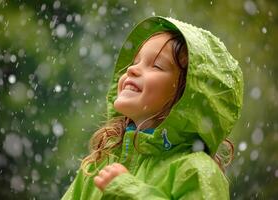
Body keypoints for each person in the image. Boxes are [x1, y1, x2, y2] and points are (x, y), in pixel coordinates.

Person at [62, 16, 243, 200]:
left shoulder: (195, 171)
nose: (132, 70)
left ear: (187, 96)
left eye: (156, 65)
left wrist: (127, 191)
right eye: (134, 62)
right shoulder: (100, 162)